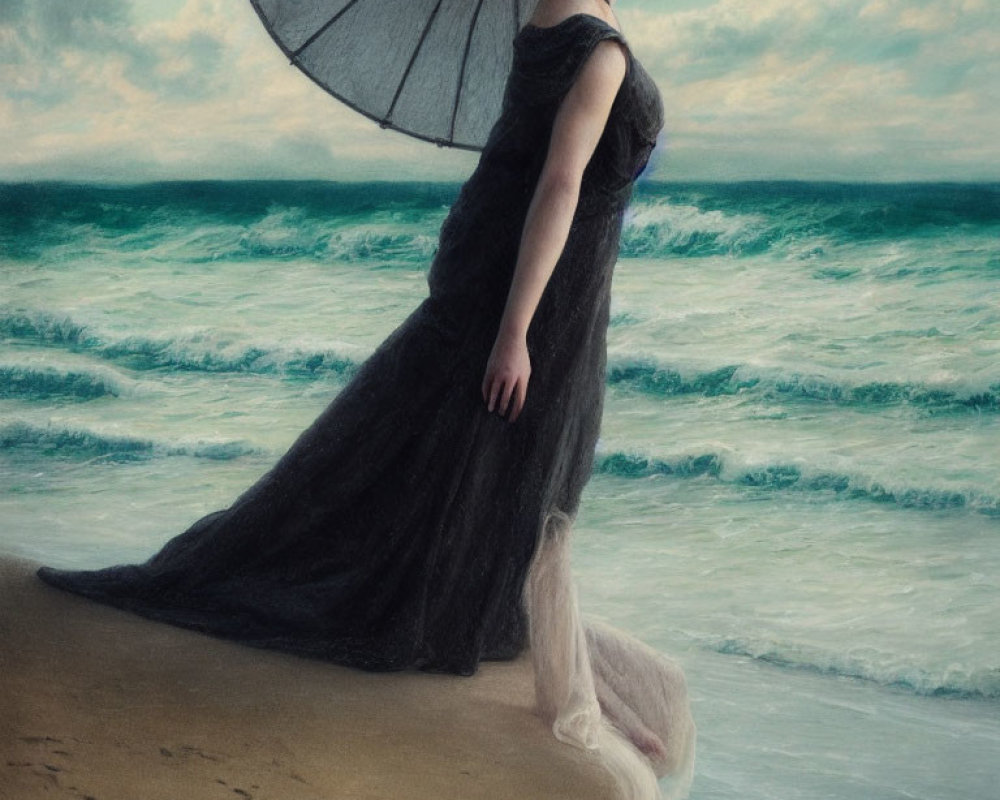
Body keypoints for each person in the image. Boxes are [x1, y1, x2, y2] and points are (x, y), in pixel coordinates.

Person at [38, 0, 694, 795]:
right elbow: (557, 186)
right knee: (526, 466)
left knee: (493, 457)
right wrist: (517, 330)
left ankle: (536, 653)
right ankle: (563, 689)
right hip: (544, 295)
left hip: (534, 277)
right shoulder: (598, 54)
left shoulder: (548, 31)